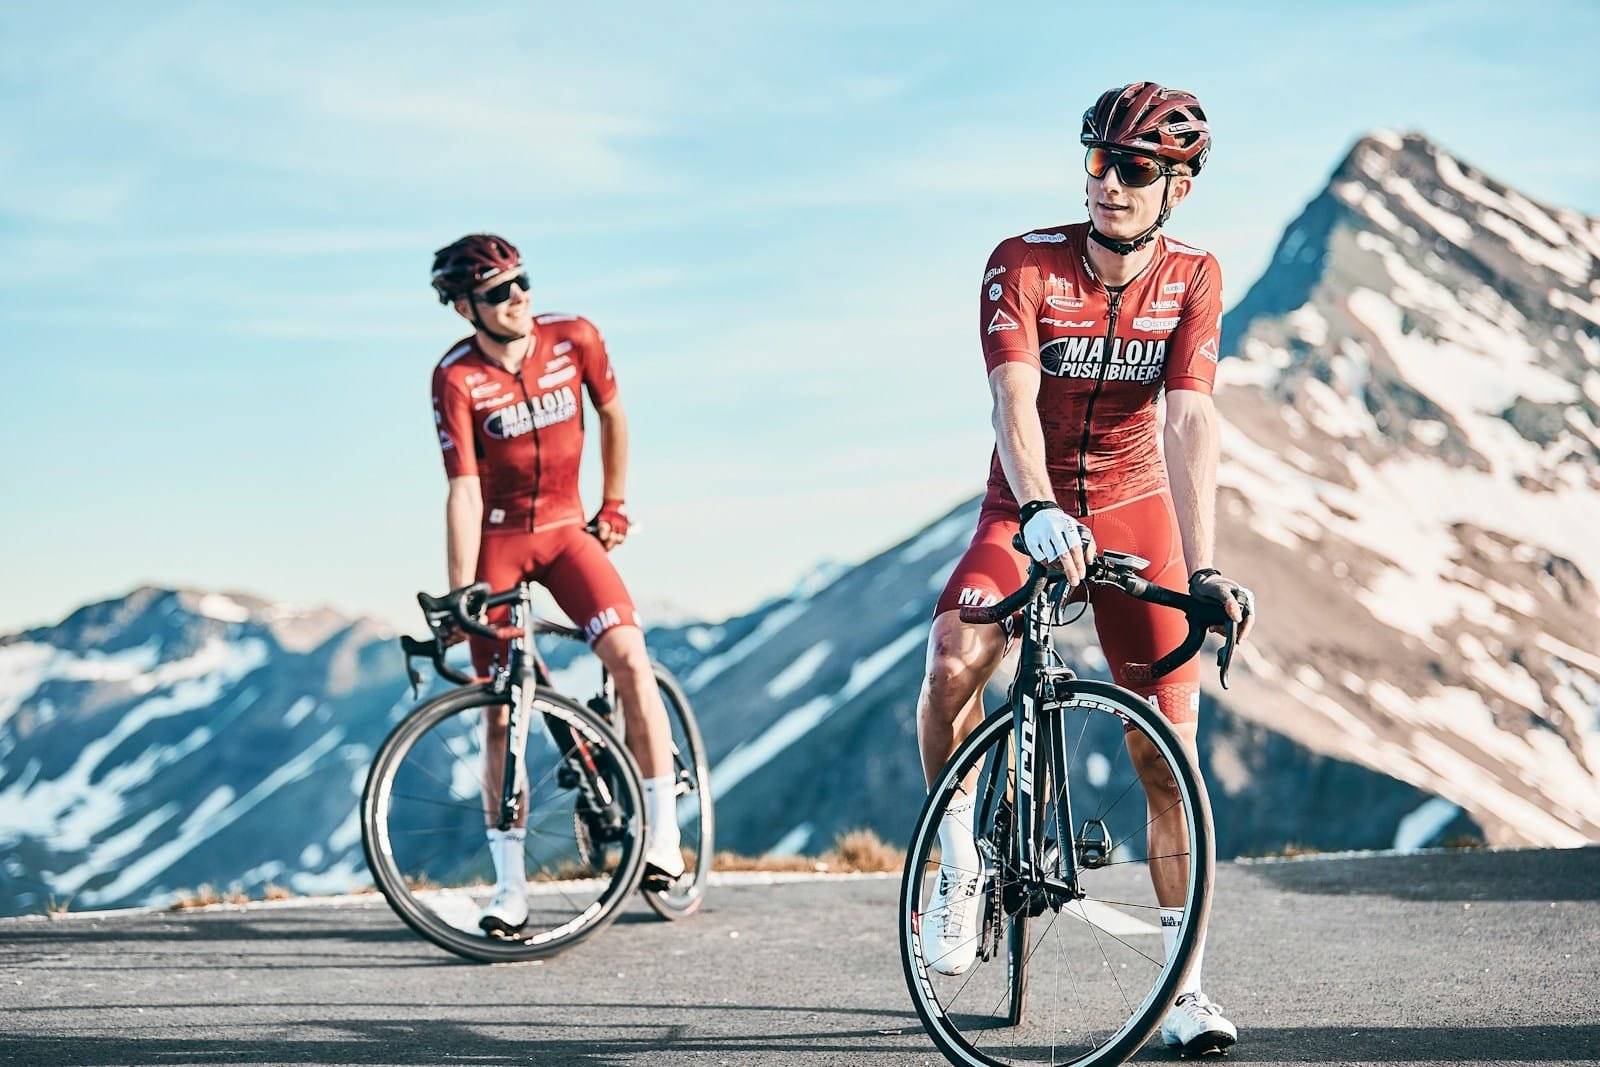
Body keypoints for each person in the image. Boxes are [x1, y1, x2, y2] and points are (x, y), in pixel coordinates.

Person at [915, 83, 1257, 1056]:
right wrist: (1035, 510)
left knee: (1168, 760)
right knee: (949, 665)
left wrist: (1204, 563)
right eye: (1097, 160)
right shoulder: (1022, 263)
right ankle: (956, 865)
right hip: (1021, 504)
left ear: (1177, 188)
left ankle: (1184, 989)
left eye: (1135, 168)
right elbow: (1009, 401)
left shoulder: (1193, 277)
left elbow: (1191, 419)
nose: (1106, 183)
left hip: (1133, 505)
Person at [428, 233, 683, 934]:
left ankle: (664, 838)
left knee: (630, 660)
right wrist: (459, 594)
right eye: (498, 292)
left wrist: (617, 502)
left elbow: (613, 413)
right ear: (463, 308)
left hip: (570, 531)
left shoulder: (575, 339)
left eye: (523, 281)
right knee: (500, 713)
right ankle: (508, 889)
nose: (519, 298)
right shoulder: (454, 378)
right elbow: (462, 491)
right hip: (502, 542)